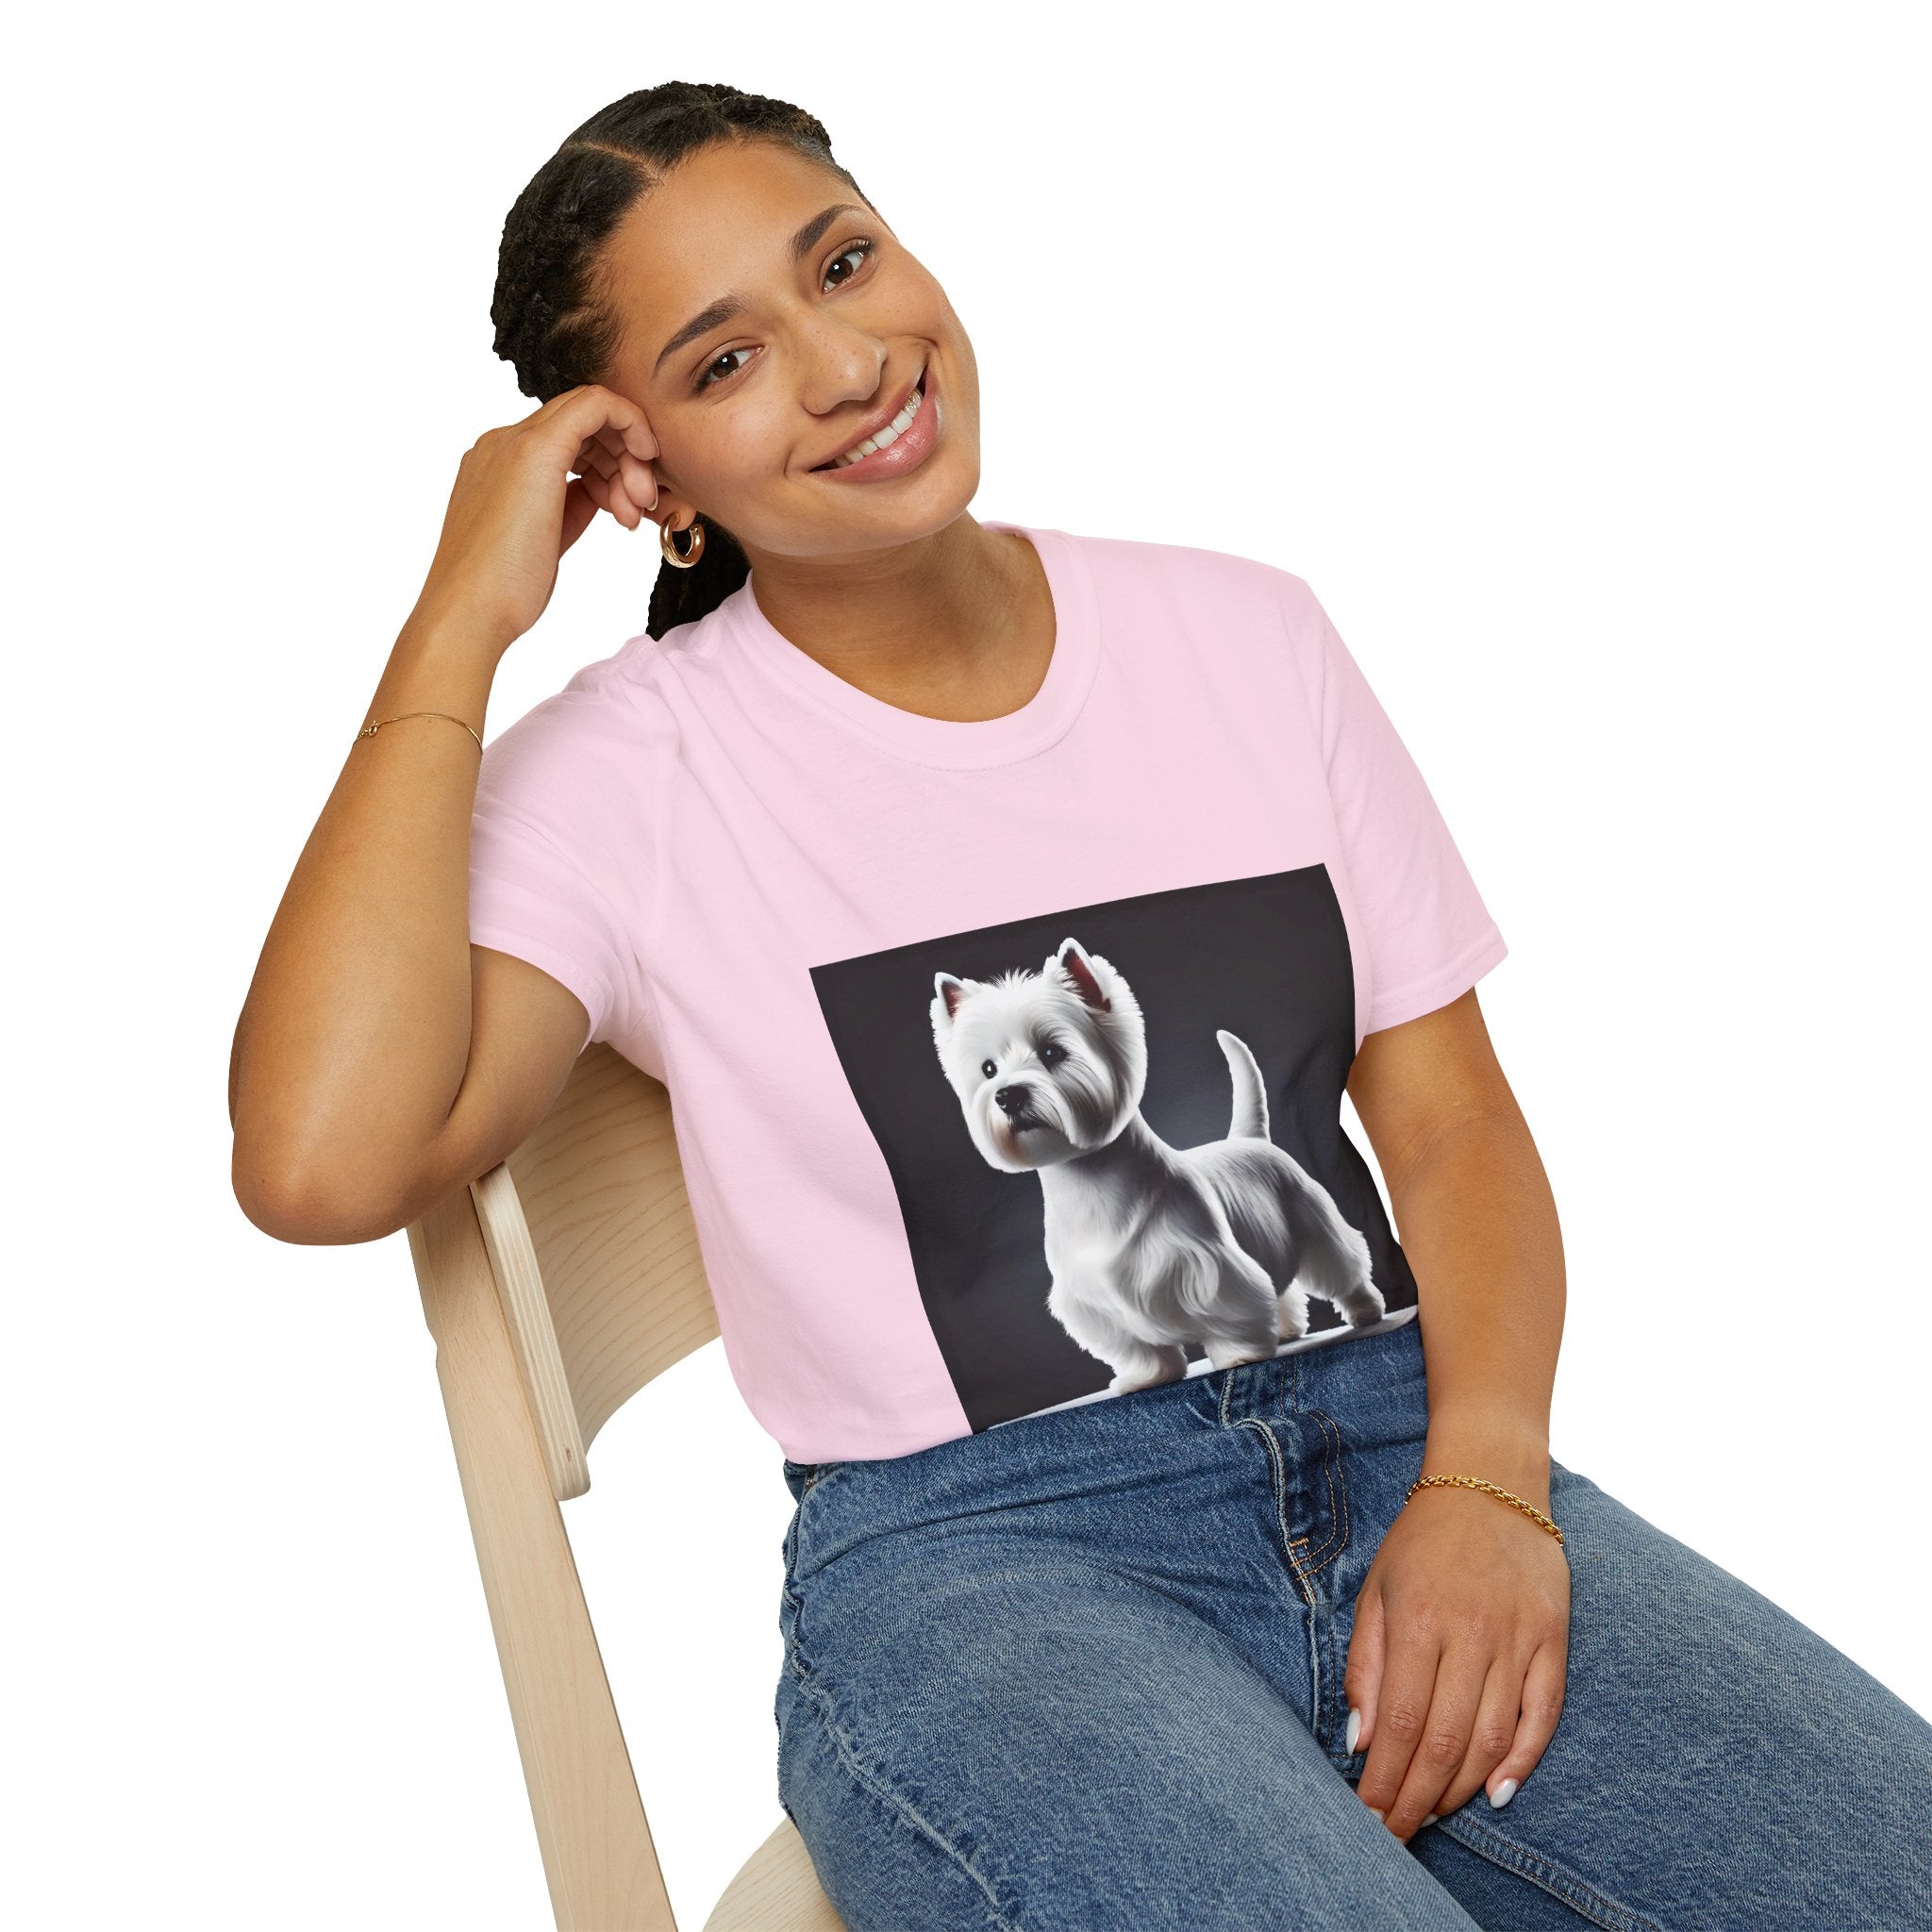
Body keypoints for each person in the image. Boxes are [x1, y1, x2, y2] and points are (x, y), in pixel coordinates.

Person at [228, 80, 1932, 1931]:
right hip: (986, 1565)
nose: (845, 361)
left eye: (845, 263)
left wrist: (1490, 1487)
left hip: (1405, 1443)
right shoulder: (633, 772)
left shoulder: (1246, 636)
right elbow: (321, 1158)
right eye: (725, 362)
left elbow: (1447, 1125)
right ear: (646, 479)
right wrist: (456, 618)